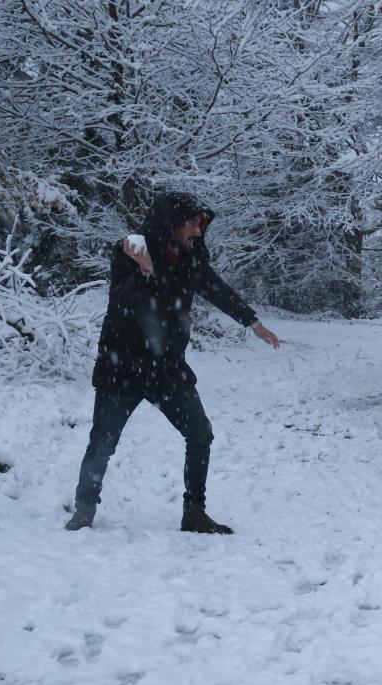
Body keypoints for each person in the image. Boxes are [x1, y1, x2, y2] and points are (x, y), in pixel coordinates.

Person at [64, 191, 280, 534]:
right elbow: (123, 301)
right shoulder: (131, 252)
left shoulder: (192, 258)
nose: (198, 231)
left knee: (200, 434)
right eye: (192, 223)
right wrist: (146, 270)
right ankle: (84, 508)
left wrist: (252, 322)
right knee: (103, 441)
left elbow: (215, 288)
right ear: (172, 223)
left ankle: (194, 512)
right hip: (122, 366)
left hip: (167, 369)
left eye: (200, 224)